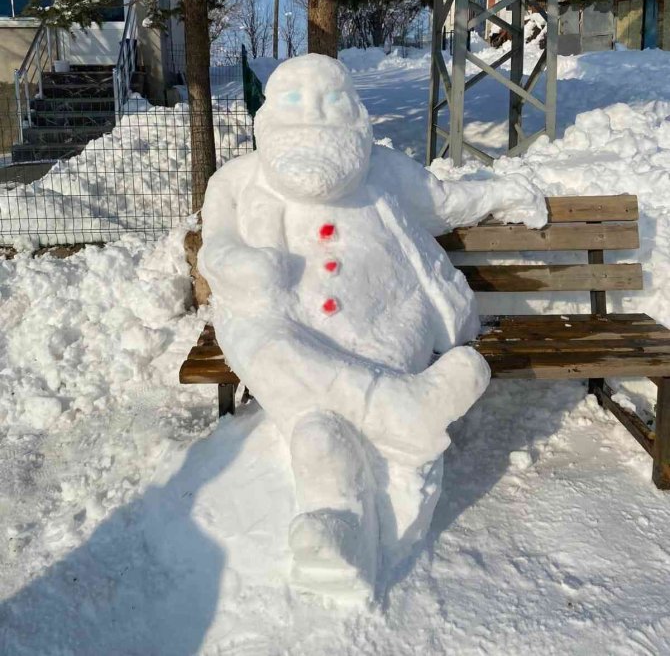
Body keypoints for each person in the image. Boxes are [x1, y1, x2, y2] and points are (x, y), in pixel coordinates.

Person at [199, 54, 547, 602]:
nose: (312, 116)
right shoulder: (236, 182)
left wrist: (501, 193)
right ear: (268, 117)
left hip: (389, 324)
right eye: (295, 103)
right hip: (281, 325)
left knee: (315, 426)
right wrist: (237, 263)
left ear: (356, 116)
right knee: (277, 354)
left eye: (329, 103)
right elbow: (214, 245)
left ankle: (337, 527)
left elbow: (445, 203)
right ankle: (400, 416)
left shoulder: (382, 169)